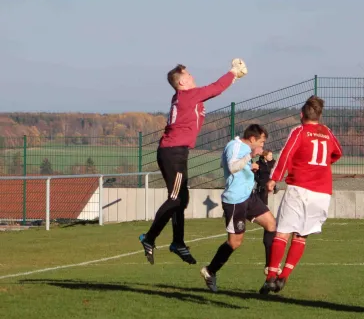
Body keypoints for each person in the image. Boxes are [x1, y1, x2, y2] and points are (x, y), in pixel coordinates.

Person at [138, 59, 248, 265]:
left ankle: (177, 243)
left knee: (182, 199)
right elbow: (215, 88)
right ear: (181, 83)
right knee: (175, 199)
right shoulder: (188, 95)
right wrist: (232, 73)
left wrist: (233, 78)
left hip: (175, 152)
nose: (193, 77)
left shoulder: (184, 96)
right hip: (173, 153)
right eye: (189, 75)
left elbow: (214, 89)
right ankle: (149, 238)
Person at [259, 95, 343, 294]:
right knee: (302, 235)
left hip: (300, 188)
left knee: (282, 232)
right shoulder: (327, 132)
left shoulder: (299, 131)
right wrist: (321, 166)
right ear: (319, 115)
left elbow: (286, 155)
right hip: (322, 192)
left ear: (301, 114)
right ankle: (284, 277)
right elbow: (338, 152)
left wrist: (274, 179)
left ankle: (271, 276)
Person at [200, 124, 277, 292]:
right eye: (261, 142)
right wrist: (250, 156)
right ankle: (210, 271)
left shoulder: (243, 148)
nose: (263, 146)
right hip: (235, 201)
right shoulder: (234, 146)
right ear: (252, 139)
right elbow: (232, 167)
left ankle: (270, 273)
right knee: (234, 243)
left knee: (271, 225)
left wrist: (251, 167)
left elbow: (238, 167)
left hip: (249, 196)